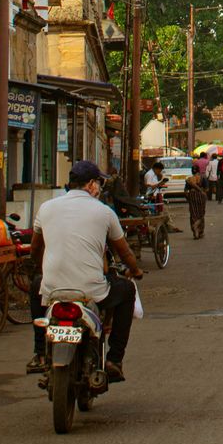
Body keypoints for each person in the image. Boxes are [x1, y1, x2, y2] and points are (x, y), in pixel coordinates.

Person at [34, 160, 145, 382]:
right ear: (92, 185)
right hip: (91, 291)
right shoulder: (104, 212)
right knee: (126, 290)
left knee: (35, 285)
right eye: (99, 183)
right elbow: (124, 253)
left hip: (53, 289)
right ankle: (114, 359)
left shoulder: (46, 207)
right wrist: (136, 270)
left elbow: (36, 248)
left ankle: (39, 354)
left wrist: (40, 269)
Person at [184, 170, 209, 240]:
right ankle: (199, 229)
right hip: (201, 196)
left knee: (193, 214)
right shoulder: (203, 178)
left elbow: (185, 191)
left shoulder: (189, 179)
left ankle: (195, 232)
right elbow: (206, 189)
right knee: (201, 214)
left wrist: (188, 198)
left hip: (192, 196)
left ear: (192, 172)